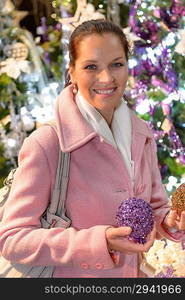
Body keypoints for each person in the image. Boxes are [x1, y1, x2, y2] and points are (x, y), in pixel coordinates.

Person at [0, 19, 185, 278]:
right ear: (72, 72)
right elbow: (12, 239)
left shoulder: (141, 134)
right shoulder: (48, 143)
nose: (106, 78)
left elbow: (154, 208)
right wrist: (100, 241)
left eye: (116, 64)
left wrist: (169, 221)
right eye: (91, 66)